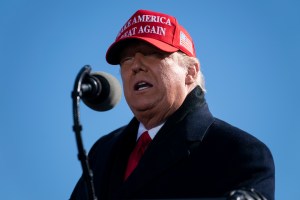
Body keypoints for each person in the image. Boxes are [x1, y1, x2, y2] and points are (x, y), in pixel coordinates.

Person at [70, 9, 275, 200]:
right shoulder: (102, 151)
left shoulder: (239, 152)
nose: (136, 66)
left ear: (191, 72)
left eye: (152, 53)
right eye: (127, 59)